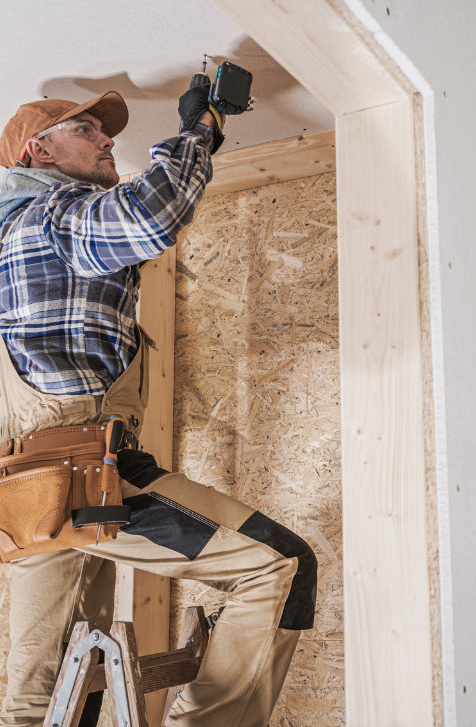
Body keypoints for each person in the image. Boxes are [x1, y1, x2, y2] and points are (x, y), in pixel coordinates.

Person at [0, 88, 317, 727]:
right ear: (39, 151)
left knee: (43, 694)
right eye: (87, 130)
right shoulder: (50, 216)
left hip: (30, 490)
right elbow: (149, 218)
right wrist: (201, 126)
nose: (108, 140)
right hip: (89, 475)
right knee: (276, 566)